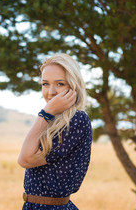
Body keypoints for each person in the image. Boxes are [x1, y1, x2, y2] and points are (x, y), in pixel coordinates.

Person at [18, 53, 92, 210]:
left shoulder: (76, 120)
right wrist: (47, 114)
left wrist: (45, 112)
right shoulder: (52, 121)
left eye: (60, 84)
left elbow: (25, 159)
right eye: (45, 84)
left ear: (73, 86)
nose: (50, 92)